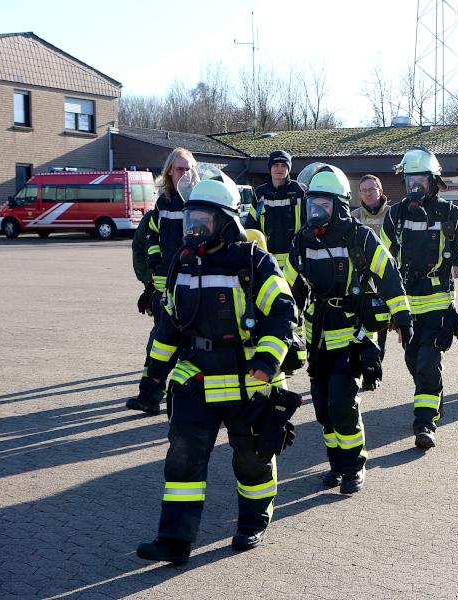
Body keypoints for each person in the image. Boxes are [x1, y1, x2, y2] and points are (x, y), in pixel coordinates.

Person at [135, 170, 300, 564]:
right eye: (191, 220)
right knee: (183, 458)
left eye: (202, 221)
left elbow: (283, 313)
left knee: (252, 459)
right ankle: (174, 541)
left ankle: (252, 522)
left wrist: (265, 364)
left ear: (226, 221)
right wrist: (150, 382)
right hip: (197, 378)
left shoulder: (253, 261)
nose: (193, 229)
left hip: (249, 381)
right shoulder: (184, 262)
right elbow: (169, 327)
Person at [284, 165, 412, 493]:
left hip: (352, 334)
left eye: (324, 205)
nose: (316, 211)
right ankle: (336, 464)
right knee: (324, 409)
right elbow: (287, 290)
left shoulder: (360, 238)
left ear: (339, 207)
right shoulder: (301, 241)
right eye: (313, 203)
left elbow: (389, 275)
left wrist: (403, 317)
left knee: (343, 403)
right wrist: (281, 329)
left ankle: (355, 465)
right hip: (316, 338)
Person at [381, 148, 458, 449]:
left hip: (439, 304)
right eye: (410, 181)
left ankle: (425, 423)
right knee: (413, 361)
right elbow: (380, 260)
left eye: (421, 181)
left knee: (429, 361)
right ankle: (433, 398)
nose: (414, 187)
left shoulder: (452, 214)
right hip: (406, 308)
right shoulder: (395, 214)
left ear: (433, 182)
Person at [127, 148, 197, 415]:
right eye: (180, 169)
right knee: (159, 342)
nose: (184, 174)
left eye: (188, 169)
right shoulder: (163, 203)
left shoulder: (199, 199)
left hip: (193, 286)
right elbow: (152, 237)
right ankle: (150, 396)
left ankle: (184, 400)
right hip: (164, 286)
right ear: (169, 171)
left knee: (188, 345)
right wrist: (154, 268)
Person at [351, 174, 392, 389]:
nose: (368, 193)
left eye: (372, 189)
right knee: (363, 330)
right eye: (364, 190)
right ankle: (368, 373)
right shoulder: (353, 216)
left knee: (382, 330)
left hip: (386, 281)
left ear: (380, 190)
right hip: (363, 283)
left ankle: (375, 369)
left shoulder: (393, 215)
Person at [245, 149, 307, 272]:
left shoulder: (300, 191)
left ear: (289, 168)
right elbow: (252, 226)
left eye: (283, 165)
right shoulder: (259, 193)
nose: (279, 169)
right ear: (270, 168)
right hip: (267, 260)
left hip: (295, 258)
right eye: (275, 165)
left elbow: (307, 222)